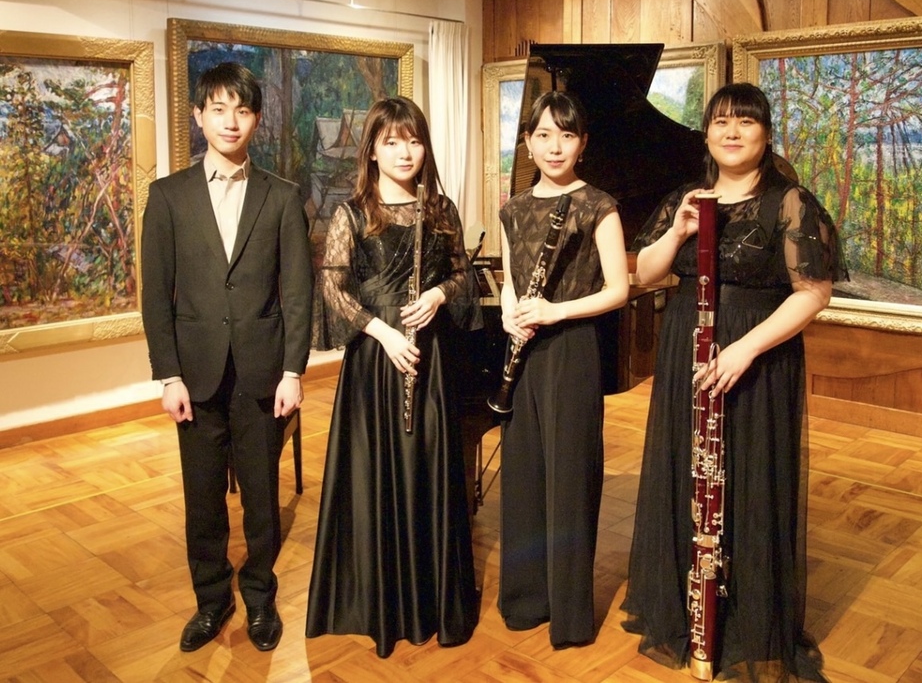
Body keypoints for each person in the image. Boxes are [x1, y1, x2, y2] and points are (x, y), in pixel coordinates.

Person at [620, 82, 848, 681]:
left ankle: (747, 615)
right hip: (688, 354)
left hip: (756, 356)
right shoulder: (685, 198)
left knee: (750, 475)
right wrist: (678, 231)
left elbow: (813, 294)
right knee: (688, 475)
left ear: (765, 134)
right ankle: (691, 606)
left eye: (746, 122)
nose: (732, 131)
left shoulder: (790, 202)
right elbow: (645, 274)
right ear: (706, 134)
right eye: (721, 121)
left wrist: (745, 348)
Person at [140, 61, 313, 653]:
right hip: (195, 373)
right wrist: (167, 375)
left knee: (263, 500)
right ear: (199, 116)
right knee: (203, 499)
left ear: (256, 119)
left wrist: (293, 370)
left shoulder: (282, 197)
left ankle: (260, 597)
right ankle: (211, 599)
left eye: (242, 110)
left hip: (264, 374)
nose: (230, 121)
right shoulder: (167, 197)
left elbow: (297, 293)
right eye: (218, 109)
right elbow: (156, 296)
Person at [305, 96, 481, 658]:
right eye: (392, 142)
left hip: (429, 361)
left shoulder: (440, 209)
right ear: (373, 151)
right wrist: (382, 332)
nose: (405, 152)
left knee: (428, 468)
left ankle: (431, 600)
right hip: (378, 364)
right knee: (377, 475)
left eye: (414, 140)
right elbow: (333, 287)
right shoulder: (353, 213)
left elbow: (463, 274)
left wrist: (438, 294)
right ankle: (383, 603)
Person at [497, 90, 629, 649]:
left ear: (583, 144)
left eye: (567, 135)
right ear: (528, 142)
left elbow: (619, 290)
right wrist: (510, 314)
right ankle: (526, 598)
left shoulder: (599, 205)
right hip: (524, 349)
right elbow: (509, 280)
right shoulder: (513, 208)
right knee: (524, 475)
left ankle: (570, 613)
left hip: (573, 347)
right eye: (544, 135)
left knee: (570, 478)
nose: (555, 147)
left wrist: (556, 311)